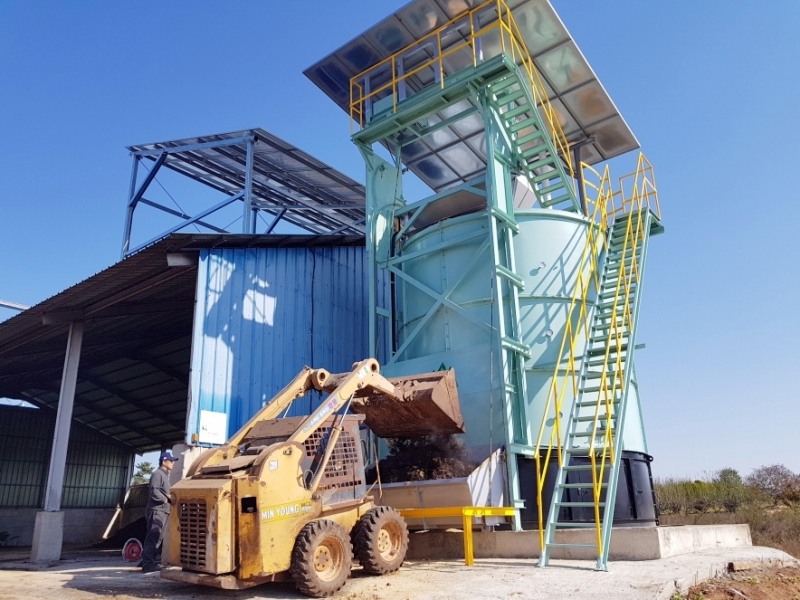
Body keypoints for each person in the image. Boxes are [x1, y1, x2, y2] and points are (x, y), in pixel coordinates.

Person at [141, 451, 178, 574]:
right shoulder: (157, 474)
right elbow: (154, 492)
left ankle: (150, 562)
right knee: (153, 537)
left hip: (163, 510)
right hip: (157, 510)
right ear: (164, 462)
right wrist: (166, 499)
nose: (173, 463)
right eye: (171, 461)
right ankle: (147, 564)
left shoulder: (164, 475)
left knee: (158, 538)